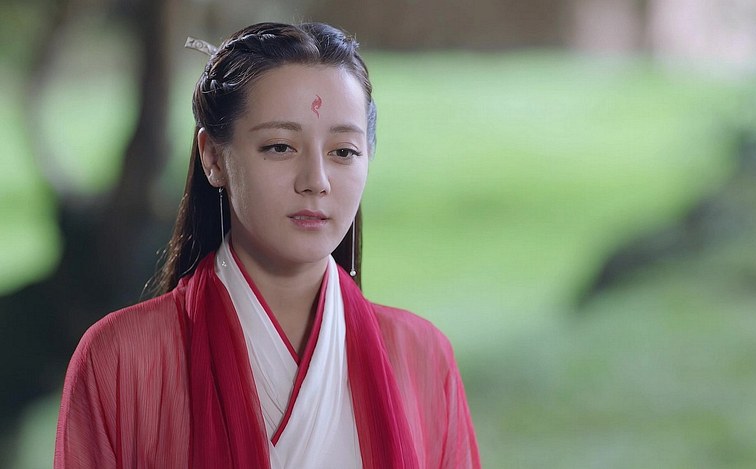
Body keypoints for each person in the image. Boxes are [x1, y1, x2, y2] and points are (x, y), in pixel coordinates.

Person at [54, 22, 480, 469]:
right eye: (280, 147)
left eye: (343, 152)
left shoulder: (423, 357)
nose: (315, 181)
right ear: (213, 157)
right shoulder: (120, 359)